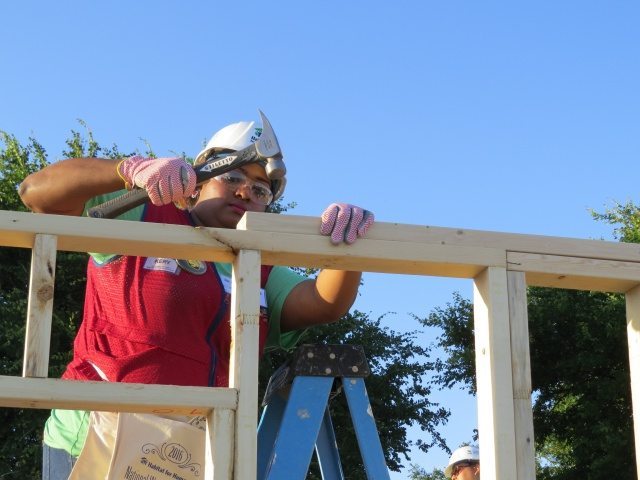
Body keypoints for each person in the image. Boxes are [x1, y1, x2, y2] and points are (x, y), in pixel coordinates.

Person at [19, 117, 374, 480]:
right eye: (232, 177)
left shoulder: (257, 267)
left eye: (260, 190)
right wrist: (127, 170)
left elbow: (324, 302)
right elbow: (37, 193)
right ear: (196, 186)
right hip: (98, 435)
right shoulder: (144, 215)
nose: (244, 192)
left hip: (194, 454)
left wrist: (347, 247)